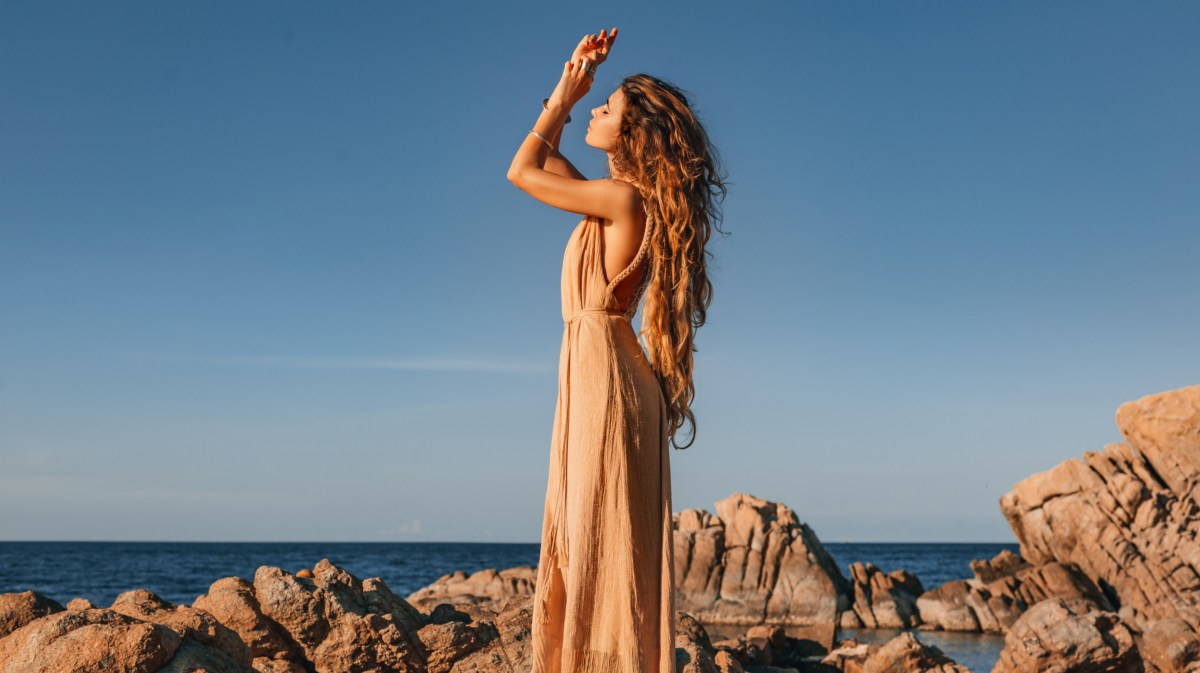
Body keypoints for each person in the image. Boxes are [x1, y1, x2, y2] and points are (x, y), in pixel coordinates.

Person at [507, 27, 728, 673]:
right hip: (602, 371)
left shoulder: (623, 199)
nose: (597, 110)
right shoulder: (614, 203)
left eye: (609, 109)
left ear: (633, 136)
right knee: (592, 537)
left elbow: (521, 170)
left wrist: (564, 96)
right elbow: (547, 168)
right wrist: (570, 85)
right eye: (597, 104)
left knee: (595, 535)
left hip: (605, 378)